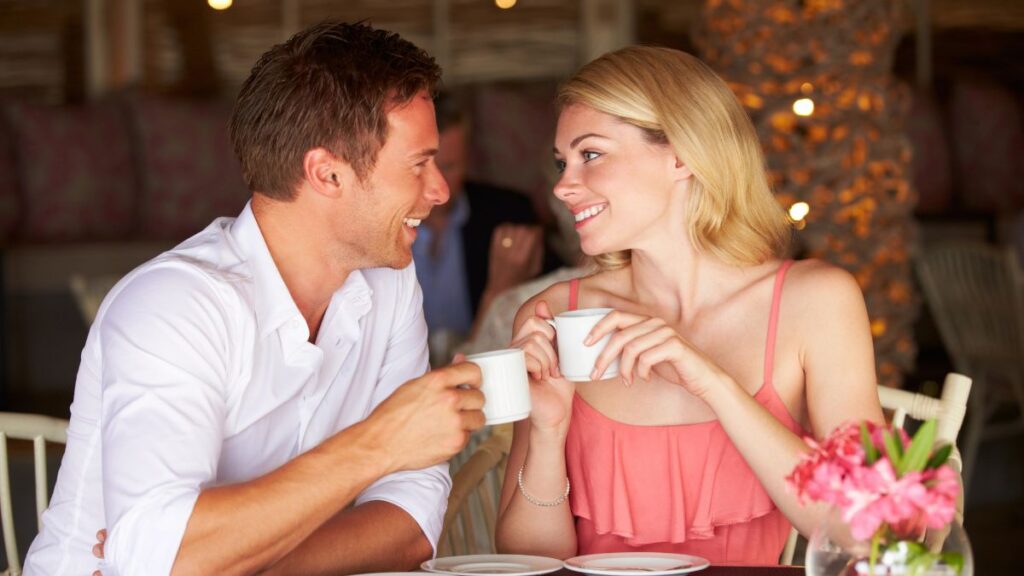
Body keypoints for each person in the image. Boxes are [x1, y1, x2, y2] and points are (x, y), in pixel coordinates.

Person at [25, 22, 486, 576]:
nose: (439, 189)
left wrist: (236, 562)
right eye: (419, 163)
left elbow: (412, 524)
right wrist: (381, 443)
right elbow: (163, 560)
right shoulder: (173, 305)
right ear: (327, 173)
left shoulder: (388, 283)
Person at [494, 46, 885, 564]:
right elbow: (527, 564)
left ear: (682, 155)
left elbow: (866, 532)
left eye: (590, 155)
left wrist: (712, 383)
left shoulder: (814, 302)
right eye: (562, 162)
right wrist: (546, 432)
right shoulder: (552, 319)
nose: (564, 186)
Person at [413, 91, 551, 349]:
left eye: (449, 166)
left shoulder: (509, 214)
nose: (437, 183)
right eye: (422, 166)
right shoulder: (377, 225)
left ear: (469, 160)